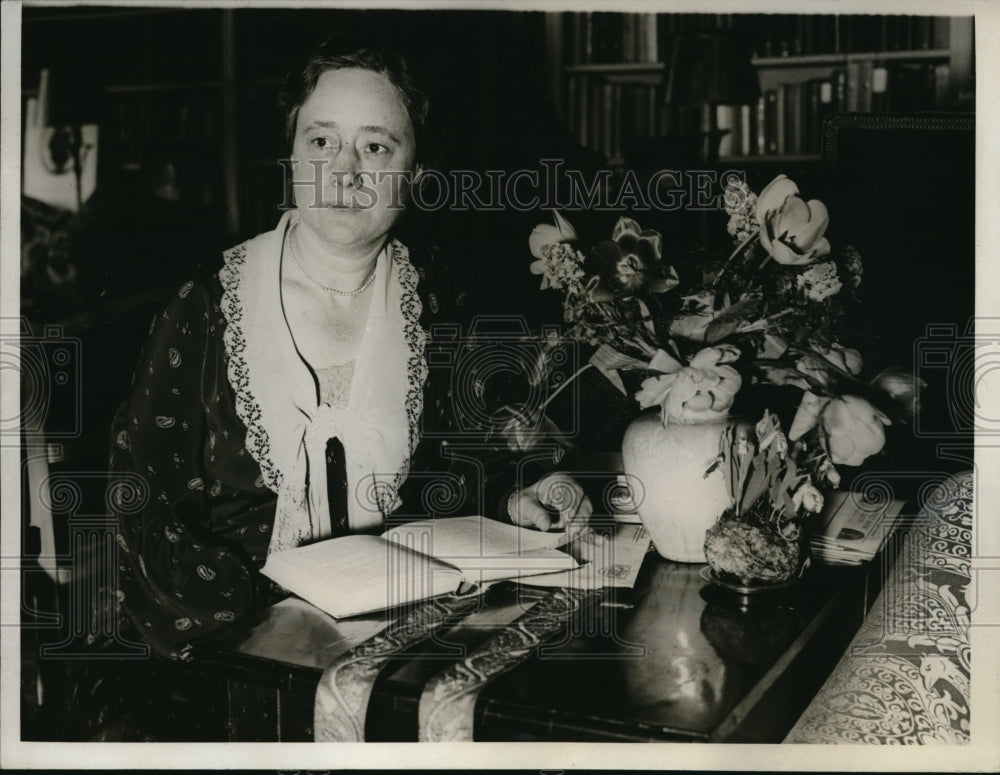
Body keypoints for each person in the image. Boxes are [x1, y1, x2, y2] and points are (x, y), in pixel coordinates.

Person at [109, 38, 595, 659]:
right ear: (290, 157)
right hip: (236, 642)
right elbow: (144, 506)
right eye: (321, 141)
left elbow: (459, 463)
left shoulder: (437, 297)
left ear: (414, 170)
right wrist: (262, 618)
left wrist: (518, 494)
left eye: (375, 145)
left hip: (409, 621)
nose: (344, 172)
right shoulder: (205, 304)